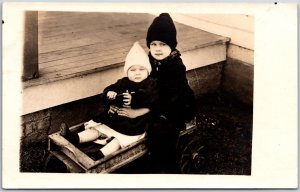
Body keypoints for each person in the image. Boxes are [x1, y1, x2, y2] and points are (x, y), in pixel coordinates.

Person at [60, 42, 159, 160]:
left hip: (135, 124)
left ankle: (100, 154)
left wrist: (135, 99)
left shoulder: (150, 84)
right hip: (118, 119)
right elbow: (109, 90)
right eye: (133, 70)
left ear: (148, 71)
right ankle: (75, 138)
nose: (137, 72)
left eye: (141, 69)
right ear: (127, 72)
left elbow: (153, 98)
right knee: (99, 129)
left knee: (119, 140)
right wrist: (110, 93)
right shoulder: (123, 82)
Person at [144, 13, 197, 173]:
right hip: (158, 100)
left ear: (171, 46)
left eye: (162, 44)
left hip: (177, 105)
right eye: (153, 44)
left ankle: (165, 167)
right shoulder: (151, 61)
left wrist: (151, 110)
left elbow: (171, 98)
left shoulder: (176, 67)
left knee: (161, 130)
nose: (157, 49)